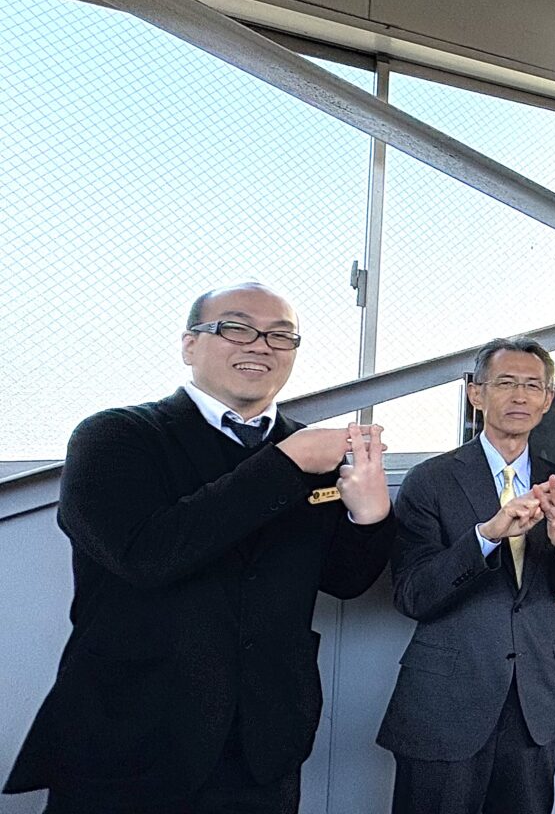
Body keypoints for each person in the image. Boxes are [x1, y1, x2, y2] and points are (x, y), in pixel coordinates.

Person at [4, 282, 395, 814]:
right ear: (189, 346)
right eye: (236, 328)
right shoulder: (116, 437)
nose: (261, 345)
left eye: (281, 335)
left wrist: (369, 516)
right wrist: (285, 464)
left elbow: (343, 580)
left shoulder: (312, 451)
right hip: (129, 740)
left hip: (263, 744)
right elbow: (144, 556)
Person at [377, 337, 555, 814]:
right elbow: (412, 595)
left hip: (532, 704)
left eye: (532, 386)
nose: (519, 396)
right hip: (446, 703)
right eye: (505, 383)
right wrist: (485, 536)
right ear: (475, 394)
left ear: (547, 400)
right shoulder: (430, 480)